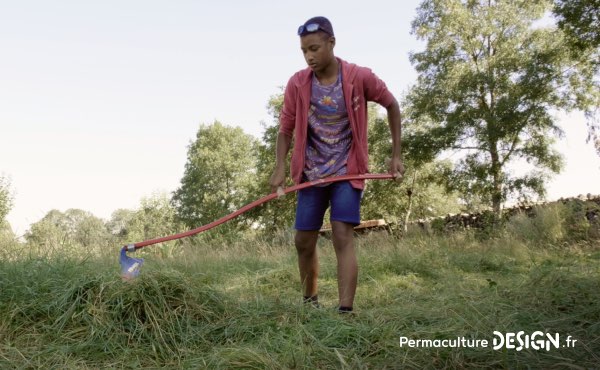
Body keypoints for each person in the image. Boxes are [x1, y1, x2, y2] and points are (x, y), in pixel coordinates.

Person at [269, 16, 404, 313]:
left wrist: (396, 154)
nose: (309, 56)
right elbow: (285, 128)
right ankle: (310, 303)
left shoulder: (358, 77)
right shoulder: (297, 84)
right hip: (311, 174)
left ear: (331, 43)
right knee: (303, 240)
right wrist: (280, 165)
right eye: (304, 50)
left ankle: (345, 311)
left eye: (315, 48)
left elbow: (392, 104)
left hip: (348, 170)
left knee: (342, 233)